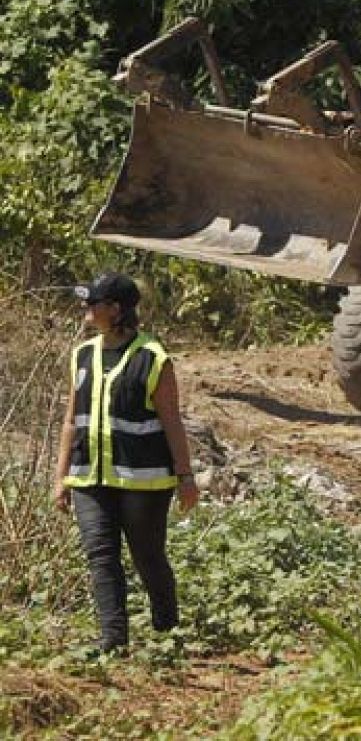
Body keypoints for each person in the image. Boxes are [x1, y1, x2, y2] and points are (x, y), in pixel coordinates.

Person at [52, 273, 199, 655]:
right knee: (100, 553)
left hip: (143, 481)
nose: (86, 309)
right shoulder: (81, 356)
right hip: (89, 475)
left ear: (116, 309)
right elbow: (71, 420)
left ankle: (167, 631)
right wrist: (61, 477)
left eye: (93, 302)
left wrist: (185, 477)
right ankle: (113, 641)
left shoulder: (153, 358)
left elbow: (171, 421)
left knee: (147, 556)